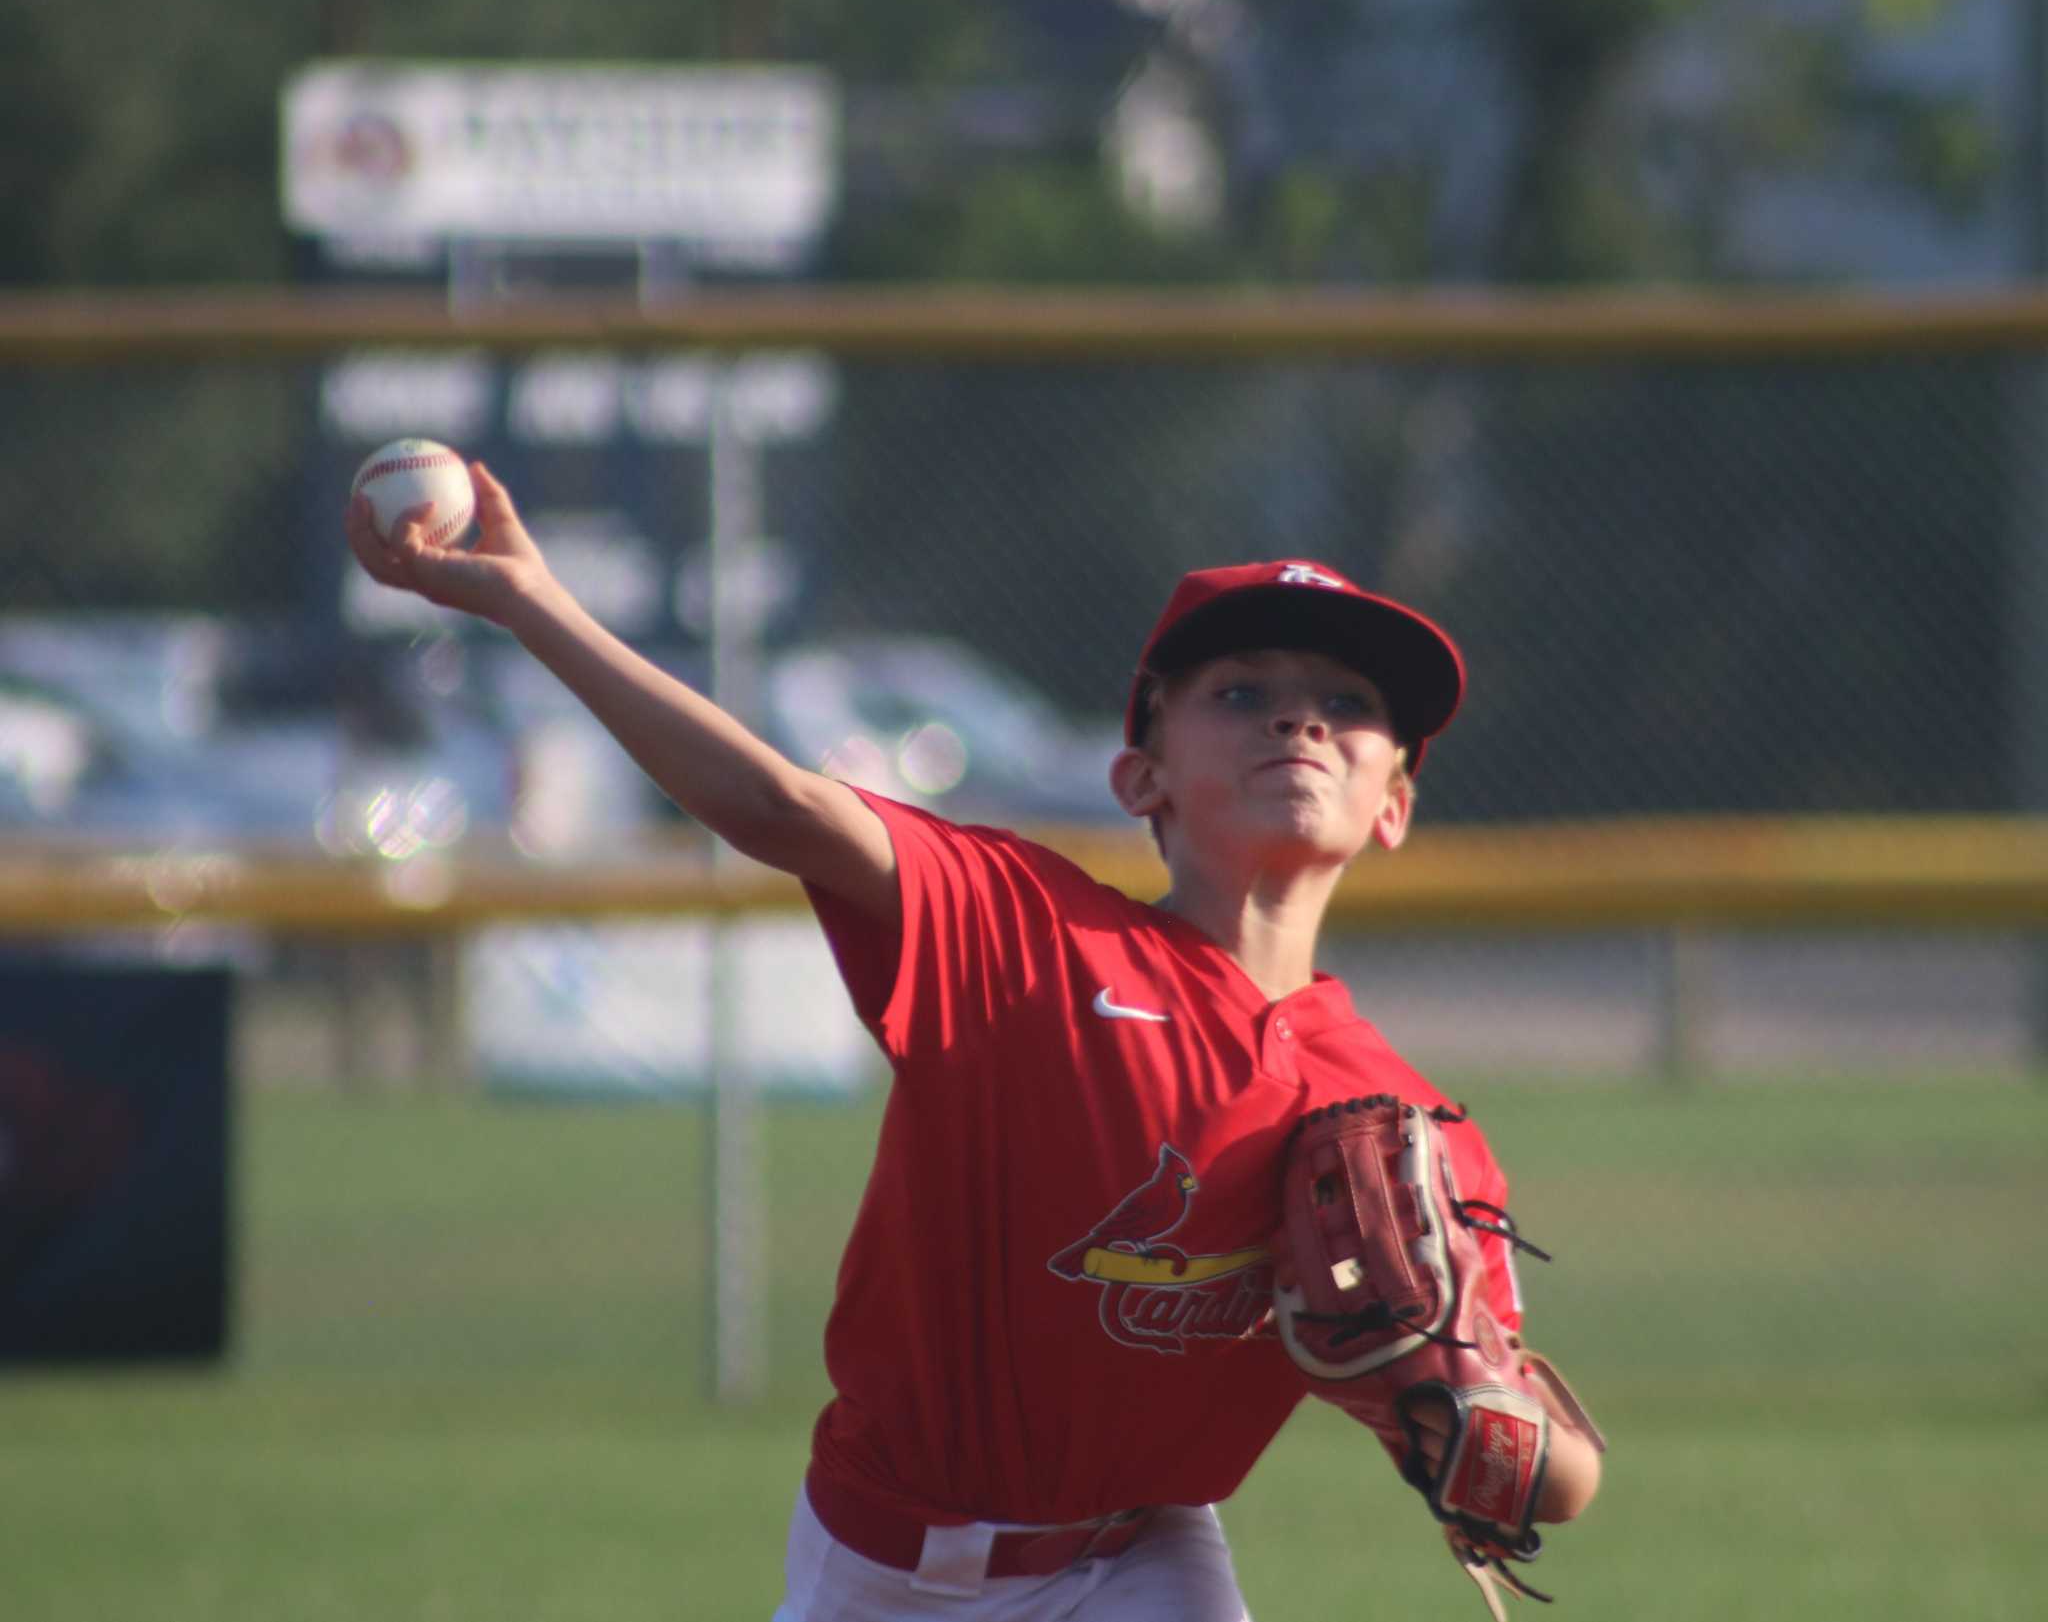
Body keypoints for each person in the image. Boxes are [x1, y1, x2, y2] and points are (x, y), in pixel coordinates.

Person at [346, 466, 1603, 1621]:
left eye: (1347, 703)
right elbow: (774, 804)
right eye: (1240, 694)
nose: (1299, 723)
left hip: (1141, 1563)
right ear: (1139, 776)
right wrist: (533, 607)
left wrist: (1454, 1406)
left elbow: (1557, 1476)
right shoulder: (1021, 932)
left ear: (1393, 805)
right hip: (880, 1563)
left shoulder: (1393, 1116)